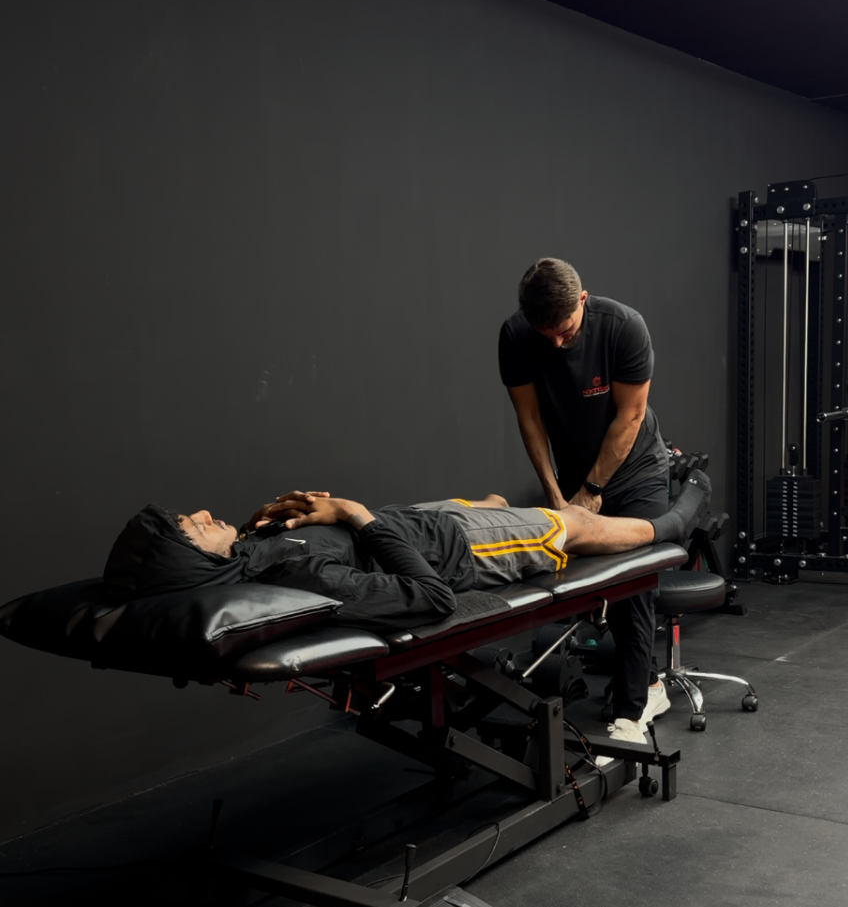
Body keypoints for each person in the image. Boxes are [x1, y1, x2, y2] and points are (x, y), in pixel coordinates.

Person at [103, 478, 709, 682]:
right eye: (195, 527)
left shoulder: (252, 552)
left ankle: (490, 502)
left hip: (421, 520)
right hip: (461, 550)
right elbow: (430, 599)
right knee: (574, 524)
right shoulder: (299, 575)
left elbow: (334, 540)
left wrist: (300, 509)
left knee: (495, 496)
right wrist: (352, 513)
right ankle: (674, 524)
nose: (208, 515)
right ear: (193, 563)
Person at [499, 257, 676, 737]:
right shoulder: (516, 336)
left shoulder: (623, 327)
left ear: (582, 300)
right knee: (594, 586)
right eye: (546, 333)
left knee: (633, 584)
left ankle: (631, 713)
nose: (556, 342)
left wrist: (592, 492)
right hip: (574, 475)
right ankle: (651, 682)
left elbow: (630, 416)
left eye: (565, 329)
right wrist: (557, 495)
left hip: (636, 471)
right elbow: (530, 420)